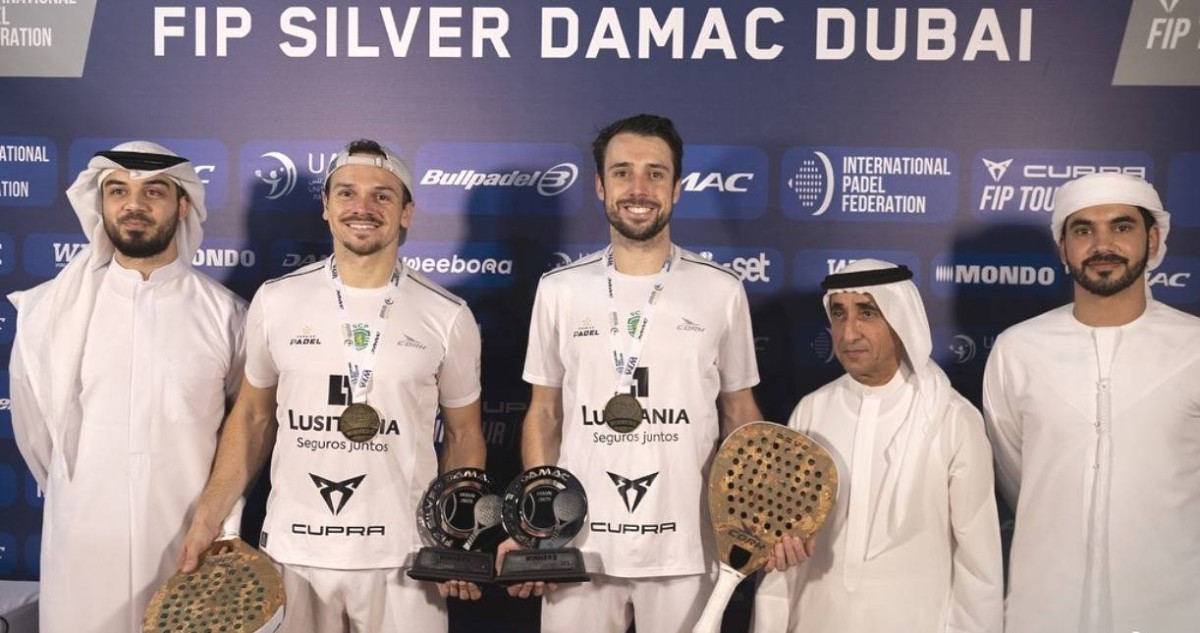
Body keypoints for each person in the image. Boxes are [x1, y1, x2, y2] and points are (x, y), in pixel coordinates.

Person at [500, 113, 792, 633]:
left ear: (677, 188)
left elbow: (740, 413)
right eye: (623, 172)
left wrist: (756, 511)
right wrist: (538, 523)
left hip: (687, 548)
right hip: (579, 548)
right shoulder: (560, 289)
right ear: (600, 185)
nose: (639, 188)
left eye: (655, 173)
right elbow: (544, 413)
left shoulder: (721, 290)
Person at [179, 139, 486, 632]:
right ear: (326, 206)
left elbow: (464, 433)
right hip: (293, 554)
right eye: (347, 193)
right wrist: (207, 517)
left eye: (382, 196)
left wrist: (455, 535)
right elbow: (253, 418)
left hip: (404, 557)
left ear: (406, 212)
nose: (363, 207)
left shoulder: (447, 315)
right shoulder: (276, 300)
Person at [7, 141, 247, 633]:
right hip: (83, 548)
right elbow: (38, 440)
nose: (133, 204)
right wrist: (83, 495)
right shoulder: (49, 314)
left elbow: (244, 431)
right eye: (117, 191)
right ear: (100, 204)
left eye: (153, 192)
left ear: (183, 205)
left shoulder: (227, 315)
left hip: (188, 546)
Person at [983, 173, 1200, 633]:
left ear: (1152, 240)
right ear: (1063, 248)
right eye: (1083, 230)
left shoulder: (1194, 346)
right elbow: (1017, 473)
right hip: (1045, 609)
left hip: (1173, 609)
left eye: (1121, 227)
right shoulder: (1017, 350)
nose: (1103, 245)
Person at [753, 259, 1004, 633]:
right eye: (839, 314)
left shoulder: (952, 418)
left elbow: (978, 564)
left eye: (867, 313)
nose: (848, 332)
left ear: (900, 320)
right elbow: (781, 548)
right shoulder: (812, 410)